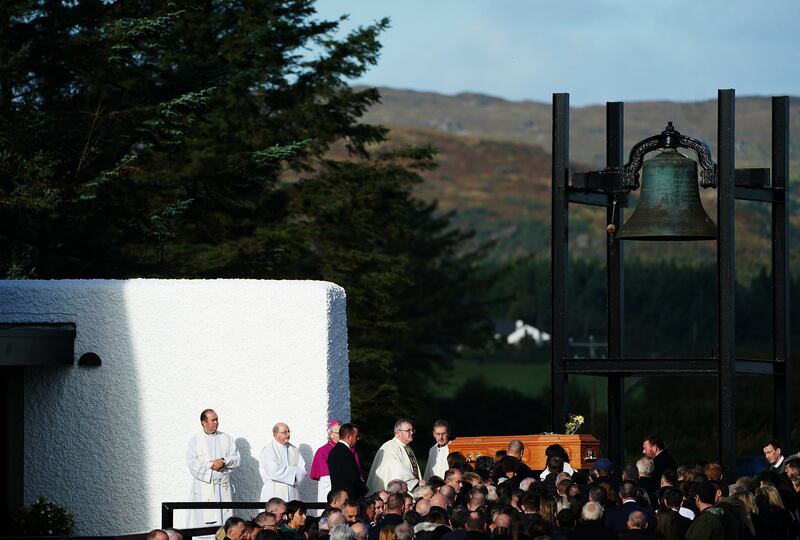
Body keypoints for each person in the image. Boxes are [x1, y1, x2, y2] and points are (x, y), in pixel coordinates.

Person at [186, 409, 241, 527]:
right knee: (205, 523)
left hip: (223, 487)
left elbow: (236, 458)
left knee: (225, 523)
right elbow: (192, 463)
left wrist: (223, 461)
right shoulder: (195, 441)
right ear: (203, 423)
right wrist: (212, 465)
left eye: (217, 419)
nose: (216, 422)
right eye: (213, 420)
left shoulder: (226, 438)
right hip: (205, 488)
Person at [366, 419, 422, 493]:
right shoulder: (390, 447)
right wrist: (415, 483)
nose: (411, 432)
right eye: (408, 430)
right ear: (398, 433)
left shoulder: (408, 448)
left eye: (412, 430)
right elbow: (398, 469)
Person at [260, 423, 307, 501]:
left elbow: (302, 469)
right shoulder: (269, 450)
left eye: (288, 431)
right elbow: (274, 472)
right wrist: (294, 472)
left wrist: (291, 473)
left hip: (292, 493)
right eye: (284, 432)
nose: (288, 434)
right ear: (275, 434)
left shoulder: (294, 449)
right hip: (274, 492)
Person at [328, 423, 367, 499]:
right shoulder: (345, 452)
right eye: (356, 436)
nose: (358, 439)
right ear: (349, 437)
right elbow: (353, 476)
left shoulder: (335, 451)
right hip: (348, 497)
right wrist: (363, 490)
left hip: (338, 495)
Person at [310, 420, 342, 503]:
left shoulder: (349, 449)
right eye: (338, 432)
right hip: (329, 489)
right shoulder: (322, 451)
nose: (342, 435)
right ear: (331, 434)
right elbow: (325, 477)